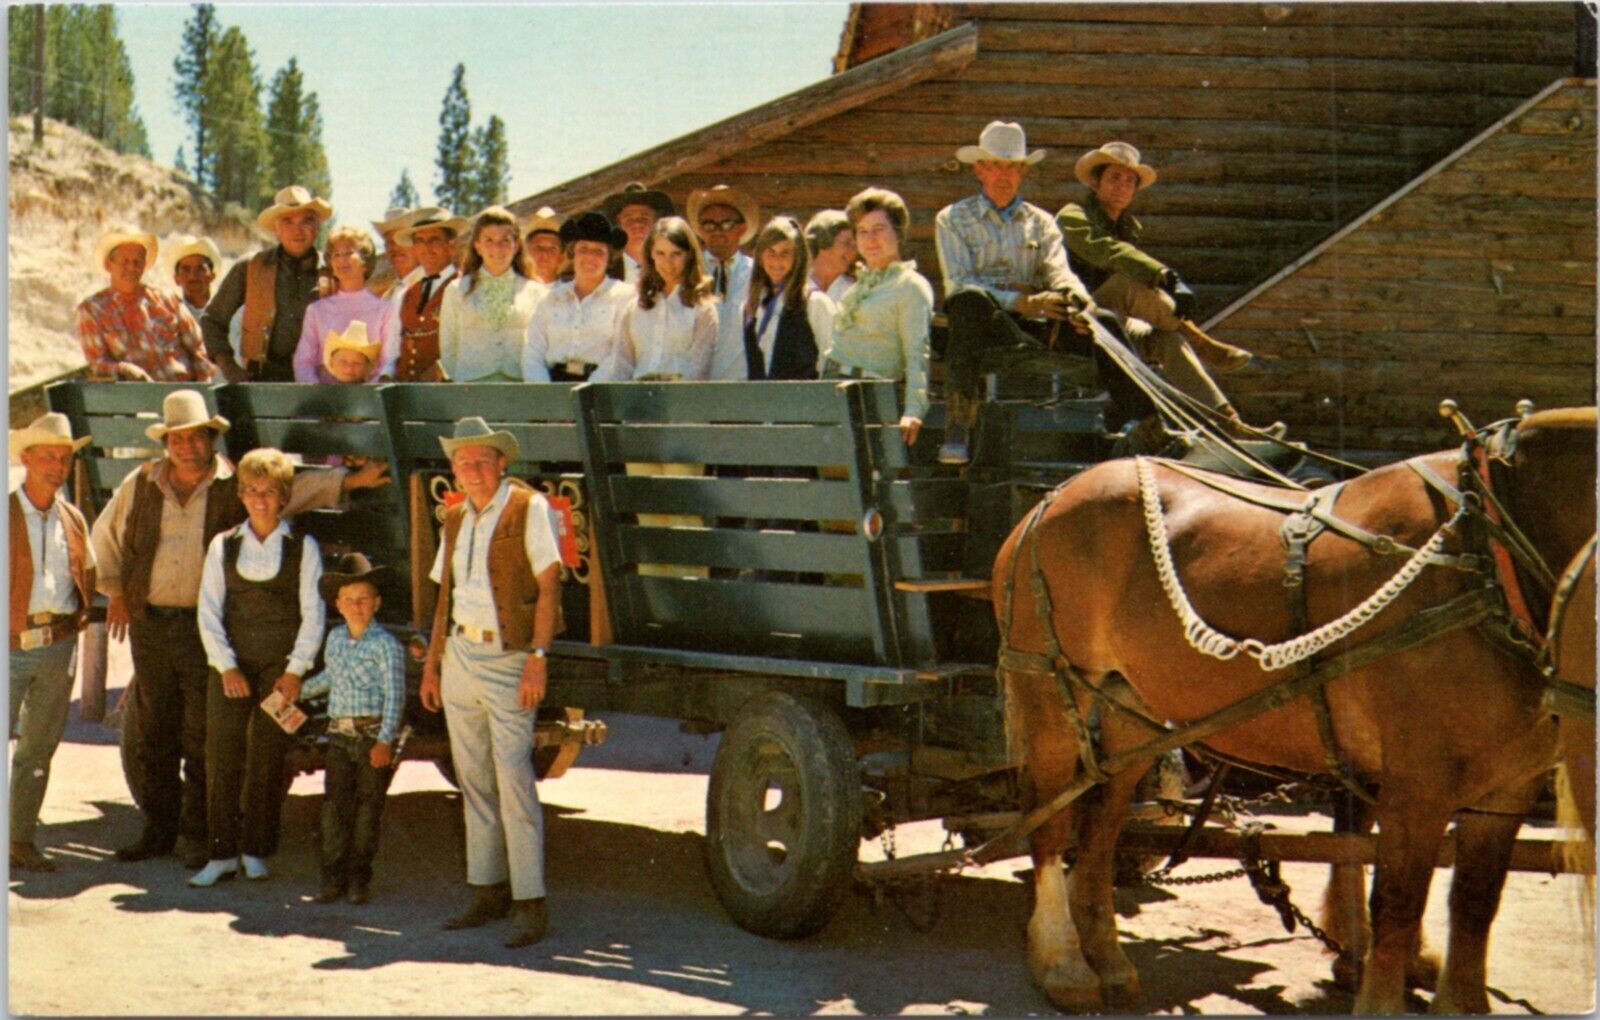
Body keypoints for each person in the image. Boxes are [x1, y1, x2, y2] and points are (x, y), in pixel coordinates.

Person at [90, 390, 386, 868]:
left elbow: (294, 488)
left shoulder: (237, 483)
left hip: (204, 629)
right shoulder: (140, 482)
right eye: (178, 439)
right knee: (153, 730)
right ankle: (158, 830)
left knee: (201, 736)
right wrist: (117, 593)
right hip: (151, 621)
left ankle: (196, 834)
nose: (187, 447)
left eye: (196, 437)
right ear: (167, 442)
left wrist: (350, 480)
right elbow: (106, 536)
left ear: (211, 438)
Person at [420, 417, 561, 949]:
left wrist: (538, 658)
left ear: (503, 464)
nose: (472, 470)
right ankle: (487, 889)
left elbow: (549, 587)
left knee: (513, 777)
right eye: (463, 463)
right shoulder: (456, 517)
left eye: (482, 461)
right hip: (460, 651)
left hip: (508, 657)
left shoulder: (529, 508)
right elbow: (444, 596)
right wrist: (434, 662)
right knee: (473, 778)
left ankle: (530, 901)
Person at [1057, 142, 1264, 435]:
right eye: (1114, 177)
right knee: (1130, 286)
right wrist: (1163, 275)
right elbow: (1105, 251)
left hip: (1115, 326)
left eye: (1130, 181)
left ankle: (1229, 422)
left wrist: (1160, 279)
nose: (1122, 186)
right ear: (1095, 182)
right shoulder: (1073, 215)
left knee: (1169, 340)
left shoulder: (1130, 226)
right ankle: (1198, 338)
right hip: (1078, 318)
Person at [189, 448, 325, 887]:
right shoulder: (223, 546)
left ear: (283, 496)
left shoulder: (304, 547)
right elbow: (208, 612)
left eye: (269, 491)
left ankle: (255, 850)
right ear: (241, 495)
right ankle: (221, 853)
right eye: (251, 491)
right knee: (222, 753)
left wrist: (295, 671)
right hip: (233, 663)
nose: (260, 500)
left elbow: (314, 614)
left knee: (267, 756)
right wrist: (226, 666)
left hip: (279, 668)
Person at [934, 121, 1092, 464]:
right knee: (967, 300)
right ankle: (958, 424)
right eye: (995, 165)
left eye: (1012, 166)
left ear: (1022, 171)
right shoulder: (952, 219)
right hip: (983, 326)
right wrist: (1018, 300)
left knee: (1102, 320)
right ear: (979, 169)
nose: (1004, 174)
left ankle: (1140, 421)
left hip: (1031, 327)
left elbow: (1058, 269)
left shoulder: (1042, 222)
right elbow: (958, 281)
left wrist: (1076, 298)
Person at [8, 413, 96, 872]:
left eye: (63, 459)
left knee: (37, 751)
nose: (57, 466)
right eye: (47, 457)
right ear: (25, 459)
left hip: (58, 644)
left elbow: (90, 574)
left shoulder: (73, 519)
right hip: (9, 644)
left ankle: (19, 839)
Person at [295, 553, 405, 906]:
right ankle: (332, 878)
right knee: (334, 809)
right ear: (338, 605)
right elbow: (331, 677)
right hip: (339, 738)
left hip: (371, 736)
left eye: (364, 600)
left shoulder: (386, 646)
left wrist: (385, 739)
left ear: (376, 603)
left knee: (367, 812)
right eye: (349, 601)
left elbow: (395, 695)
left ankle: (359, 879)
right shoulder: (336, 640)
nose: (357, 607)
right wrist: (298, 689)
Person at [822, 187, 932, 447]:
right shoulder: (855, 287)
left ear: (899, 233)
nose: (870, 239)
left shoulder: (910, 285)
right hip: (829, 393)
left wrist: (914, 410)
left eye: (879, 229)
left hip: (871, 398)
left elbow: (918, 353)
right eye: (862, 231)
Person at [203, 185, 332, 382]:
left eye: (306, 221)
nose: (297, 230)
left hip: (319, 381)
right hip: (262, 378)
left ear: (317, 227)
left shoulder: (333, 271)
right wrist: (229, 367)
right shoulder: (250, 267)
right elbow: (213, 320)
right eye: (288, 221)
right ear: (277, 229)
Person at [77, 226, 215, 383]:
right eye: (125, 261)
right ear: (109, 265)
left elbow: (198, 347)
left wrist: (203, 387)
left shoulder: (167, 299)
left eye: (137, 261)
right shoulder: (92, 310)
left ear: (144, 265)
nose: (132, 267)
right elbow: (98, 363)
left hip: (183, 392)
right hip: (135, 399)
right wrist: (124, 369)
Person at [595, 216, 718, 382]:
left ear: (689, 255)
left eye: (676, 254)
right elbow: (622, 364)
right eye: (660, 253)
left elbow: (699, 368)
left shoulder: (702, 309)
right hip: (638, 396)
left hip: (681, 396)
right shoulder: (634, 307)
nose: (668, 263)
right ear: (650, 254)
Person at [521, 211, 632, 383]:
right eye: (583, 249)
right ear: (572, 253)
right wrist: (543, 392)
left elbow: (621, 354)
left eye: (598, 251)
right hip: (552, 387)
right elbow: (533, 351)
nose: (590, 257)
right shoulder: (550, 298)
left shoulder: (625, 297)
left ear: (609, 258)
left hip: (601, 388)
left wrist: (590, 390)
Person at [439, 206, 544, 382]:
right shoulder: (456, 290)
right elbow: (448, 347)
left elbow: (540, 346)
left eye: (505, 240)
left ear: (516, 245)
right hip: (471, 387)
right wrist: (461, 381)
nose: (497, 247)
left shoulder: (535, 291)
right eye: (489, 240)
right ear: (477, 246)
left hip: (519, 386)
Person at [293, 226, 400, 383]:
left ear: (365, 260)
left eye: (348, 253)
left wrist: (369, 393)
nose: (341, 259)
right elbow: (303, 362)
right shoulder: (316, 310)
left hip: (369, 397)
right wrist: (316, 394)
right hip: (323, 398)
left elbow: (387, 360)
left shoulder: (385, 309)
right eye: (336, 254)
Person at [744, 216, 833, 380]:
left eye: (785, 253)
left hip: (801, 401)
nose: (777, 260)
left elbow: (830, 363)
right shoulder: (752, 305)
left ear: (798, 257)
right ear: (760, 256)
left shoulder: (814, 303)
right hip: (762, 402)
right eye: (770, 252)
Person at [686, 183, 760, 380]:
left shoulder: (757, 274)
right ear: (700, 230)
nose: (717, 231)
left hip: (742, 383)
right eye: (709, 224)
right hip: (692, 383)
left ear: (742, 227)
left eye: (727, 224)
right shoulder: (688, 271)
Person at [392, 207, 468, 382]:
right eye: (420, 241)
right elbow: (394, 345)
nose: (426, 248)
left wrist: (442, 369)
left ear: (452, 245)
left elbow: (470, 343)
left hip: (445, 390)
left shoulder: (464, 288)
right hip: (407, 391)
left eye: (434, 240)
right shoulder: (406, 293)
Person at [601, 182, 675, 285]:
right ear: (618, 227)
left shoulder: (674, 268)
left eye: (644, 218)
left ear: (656, 223)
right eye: (629, 220)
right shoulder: (603, 274)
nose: (637, 224)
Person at [803, 209, 857, 305]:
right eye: (847, 243)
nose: (853, 252)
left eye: (855, 246)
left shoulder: (853, 292)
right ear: (823, 242)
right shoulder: (794, 286)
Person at [368, 206, 421, 302]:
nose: (395, 247)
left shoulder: (431, 286)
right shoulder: (388, 296)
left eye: (401, 240)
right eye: (390, 242)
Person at [167, 234, 222, 318]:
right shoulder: (171, 316)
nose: (193, 276)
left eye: (200, 269)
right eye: (186, 269)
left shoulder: (225, 316)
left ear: (212, 275)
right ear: (176, 278)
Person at [520, 206, 565, 289]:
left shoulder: (572, 296)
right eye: (538, 248)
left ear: (561, 258)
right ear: (526, 254)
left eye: (552, 249)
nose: (544, 255)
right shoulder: (515, 293)